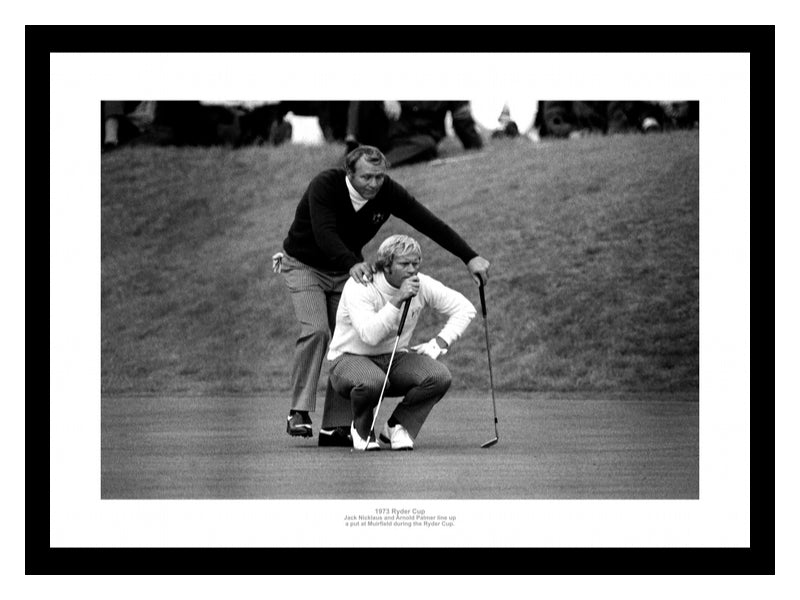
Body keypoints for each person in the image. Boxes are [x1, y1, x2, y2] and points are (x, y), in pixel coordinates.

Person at [275, 145, 490, 446]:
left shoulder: (386, 192)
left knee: (352, 344)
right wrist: (351, 262)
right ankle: (298, 411)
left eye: (379, 176)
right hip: (305, 265)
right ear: (349, 173)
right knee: (317, 330)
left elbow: (427, 223)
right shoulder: (325, 185)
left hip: (348, 270)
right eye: (366, 177)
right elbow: (325, 233)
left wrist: (469, 257)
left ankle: (336, 426)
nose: (374, 183)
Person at [327, 235, 476, 450]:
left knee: (438, 376)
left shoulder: (421, 284)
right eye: (404, 264)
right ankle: (361, 429)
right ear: (386, 265)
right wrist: (397, 299)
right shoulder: (361, 285)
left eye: (416, 263)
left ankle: (398, 426)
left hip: (393, 359)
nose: (412, 270)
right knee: (373, 380)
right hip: (347, 359)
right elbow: (370, 335)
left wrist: (438, 344)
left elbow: (464, 308)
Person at [344, 101, 484, 167]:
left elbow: (462, 118)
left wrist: (474, 143)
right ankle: (352, 145)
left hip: (418, 138)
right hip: (386, 129)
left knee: (427, 145)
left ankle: (373, 164)